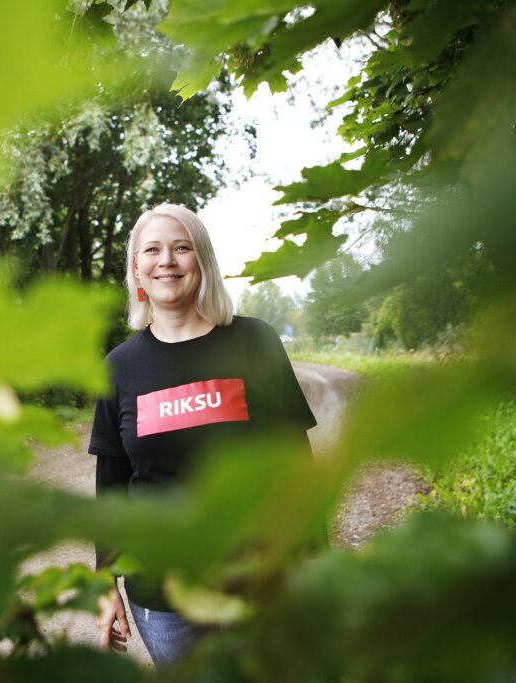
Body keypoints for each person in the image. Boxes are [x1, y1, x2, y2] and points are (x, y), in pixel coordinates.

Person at [90, 203, 318, 665]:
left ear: (203, 261)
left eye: (181, 248)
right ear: (137, 268)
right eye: (151, 250)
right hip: (164, 595)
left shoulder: (255, 342)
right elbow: (111, 487)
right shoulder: (119, 367)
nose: (167, 260)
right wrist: (104, 582)